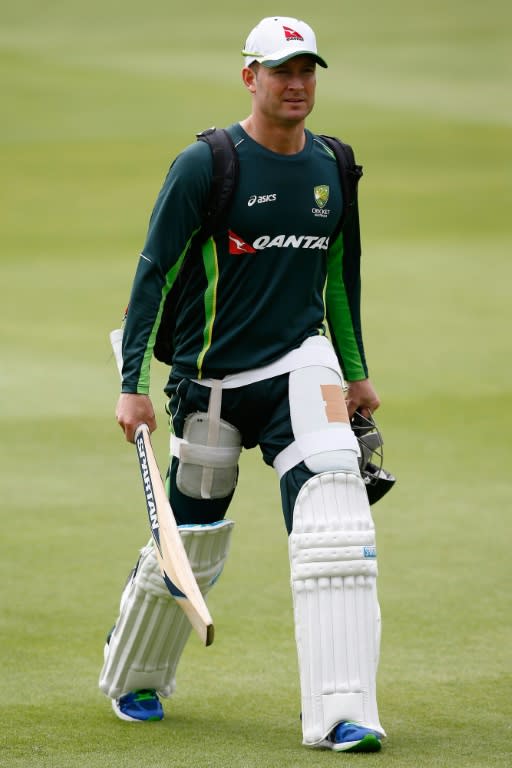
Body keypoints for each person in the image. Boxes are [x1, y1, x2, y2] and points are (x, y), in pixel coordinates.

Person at [100, 16, 386, 753]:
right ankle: (134, 670)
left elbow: (337, 282)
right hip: (213, 384)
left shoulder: (332, 166)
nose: (296, 85)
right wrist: (132, 384)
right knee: (191, 543)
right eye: (281, 70)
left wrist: (354, 374)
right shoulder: (208, 165)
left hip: (304, 367)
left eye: (307, 71)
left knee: (337, 527)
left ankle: (342, 713)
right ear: (249, 77)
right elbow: (154, 273)